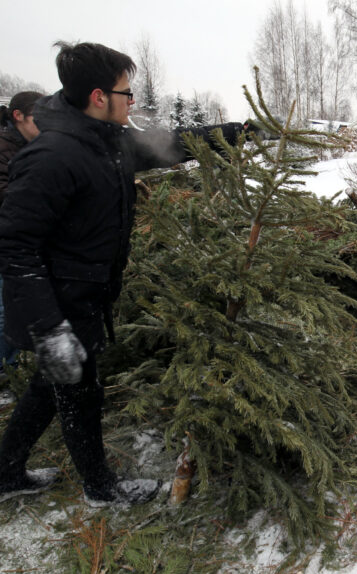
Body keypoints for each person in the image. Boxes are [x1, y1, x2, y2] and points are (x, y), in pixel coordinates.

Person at [0, 42, 249, 505]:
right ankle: (101, 488)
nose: (131, 100)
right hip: (61, 304)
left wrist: (236, 131)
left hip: (88, 293)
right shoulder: (52, 156)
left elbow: (172, 145)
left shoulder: (106, 141)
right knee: (80, 394)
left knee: (47, 387)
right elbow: (15, 248)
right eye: (125, 92)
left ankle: (5, 473)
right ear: (99, 96)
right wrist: (51, 329)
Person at [0, 91, 44, 376]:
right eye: (37, 119)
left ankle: (10, 364)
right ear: (18, 116)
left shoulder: (27, 146)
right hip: (6, 243)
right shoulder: (4, 149)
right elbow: (7, 196)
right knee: (4, 310)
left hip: (18, 241)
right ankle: (5, 370)